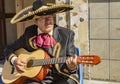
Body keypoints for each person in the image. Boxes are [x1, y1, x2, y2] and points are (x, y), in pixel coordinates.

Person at [2, 0, 79, 84]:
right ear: (35, 21)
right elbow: (8, 49)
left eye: (50, 16)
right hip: (35, 78)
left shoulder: (67, 35)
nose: (48, 20)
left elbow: (72, 59)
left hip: (60, 76)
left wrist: (72, 66)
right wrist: (15, 60)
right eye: (42, 18)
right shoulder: (29, 32)